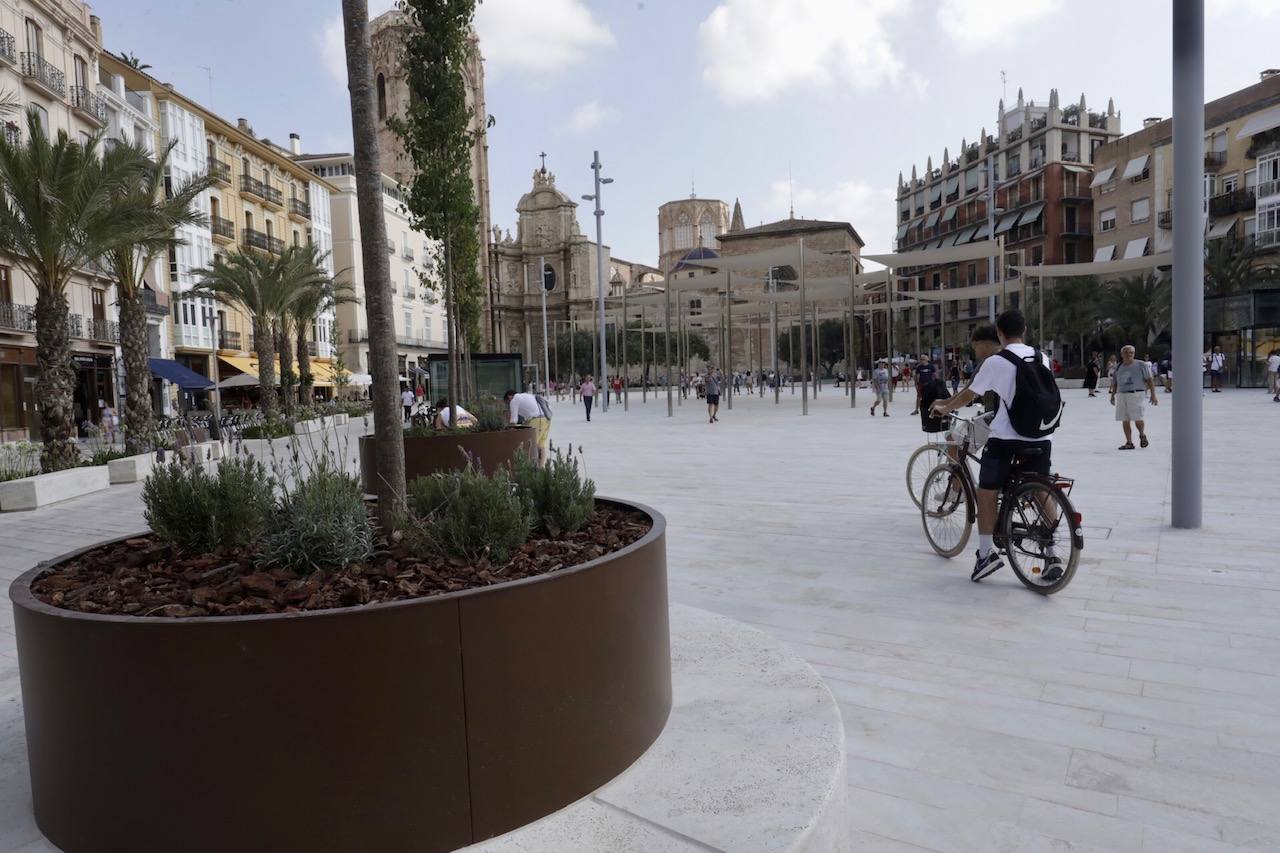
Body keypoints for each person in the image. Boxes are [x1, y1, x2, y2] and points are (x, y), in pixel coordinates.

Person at [930, 310, 1063, 584]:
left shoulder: (996, 362)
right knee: (1040, 488)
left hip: (1006, 439)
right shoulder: (1042, 358)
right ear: (1024, 330)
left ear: (1000, 334)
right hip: (1041, 438)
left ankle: (986, 555)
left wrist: (944, 407)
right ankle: (1052, 553)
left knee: (986, 490)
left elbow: (968, 394)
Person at [1110, 345, 1159, 450]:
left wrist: (1153, 395)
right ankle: (1129, 442)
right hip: (1122, 394)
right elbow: (1115, 382)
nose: (1129, 354)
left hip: (1136, 393)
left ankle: (1142, 434)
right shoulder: (1119, 367)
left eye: (1131, 352)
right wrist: (1113, 395)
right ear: (1122, 354)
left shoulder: (1141, 365)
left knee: (1138, 417)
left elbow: (1149, 380)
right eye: (1126, 352)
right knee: (1124, 418)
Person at [505, 389, 550, 464]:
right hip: (546, 419)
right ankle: (540, 468)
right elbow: (528, 417)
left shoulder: (514, 400)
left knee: (530, 445)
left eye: (507, 402)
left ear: (509, 397)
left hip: (537, 420)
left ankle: (532, 468)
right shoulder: (527, 396)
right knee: (541, 445)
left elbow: (513, 421)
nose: (508, 405)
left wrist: (508, 433)